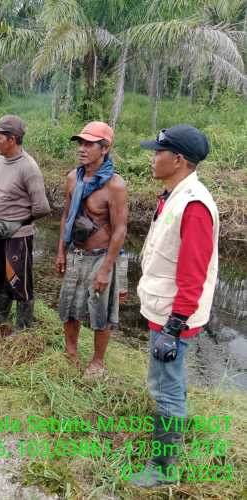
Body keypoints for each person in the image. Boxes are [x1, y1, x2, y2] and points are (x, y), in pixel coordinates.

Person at [131, 125, 218, 488]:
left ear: (178, 159)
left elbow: (193, 275)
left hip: (174, 316)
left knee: (165, 388)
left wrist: (174, 325)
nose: (153, 158)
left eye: (158, 152)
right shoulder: (172, 194)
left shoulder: (194, 205)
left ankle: (164, 468)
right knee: (170, 383)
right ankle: (167, 448)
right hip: (162, 306)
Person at [55, 121, 128, 378]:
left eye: (89, 144)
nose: (82, 149)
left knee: (101, 310)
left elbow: (120, 230)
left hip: (100, 256)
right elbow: (66, 216)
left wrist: (106, 269)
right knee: (69, 306)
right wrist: (61, 250)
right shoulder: (73, 178)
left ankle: (97, 362)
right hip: (76, 252)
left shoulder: (115, 185)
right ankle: (71, 352)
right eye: (80, 143)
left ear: (105, 148)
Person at [0, 115, 50, 334]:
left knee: (19, 281)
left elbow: (42, 207)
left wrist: (16, 223)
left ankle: (23, 328)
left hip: (18, 237)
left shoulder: (28, 168)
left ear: (12, 139)